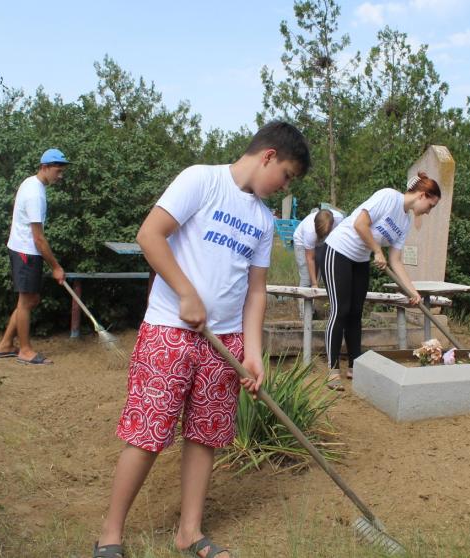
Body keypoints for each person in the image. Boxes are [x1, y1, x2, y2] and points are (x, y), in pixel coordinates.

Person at [93, 122, 310, 558]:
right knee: (147, 433)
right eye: (286, 175)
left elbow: (255, 291)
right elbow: (149, 235)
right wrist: (187, 292)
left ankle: (189, 532)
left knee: (205, 435)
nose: (284, 185)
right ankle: (110, 534)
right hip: (169, 331)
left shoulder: (263, 221)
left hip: (224, 343)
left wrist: (252, 353)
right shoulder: (201, 180)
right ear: (268, 155)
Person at [321, 171, 442, 390]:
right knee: (341, 309)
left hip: (359, 259)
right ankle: (332, 369)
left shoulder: (405, 222)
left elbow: (395, 261)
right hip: (338, 251)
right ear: (423, 195)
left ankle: (354, 367)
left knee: (356, 313)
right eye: (431, 206)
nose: (429, 211)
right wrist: (377, 250)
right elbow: (360, 224)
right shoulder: (389, 197)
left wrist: (411, 291)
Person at [0, 148, 69, 365]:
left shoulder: (30, 183)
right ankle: (25, 351)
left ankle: (6, 344)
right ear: (44, 167)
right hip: (26, 251)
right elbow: (39, 239)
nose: (60, 175)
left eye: (62, 171)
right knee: (26, 302)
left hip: (21, 248)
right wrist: (56, 267)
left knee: (31, 299)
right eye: (58, 170)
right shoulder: (36, 194)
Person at [291, 207, 342, 317]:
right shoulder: (309, 231)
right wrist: (314, 283)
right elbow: (310, 258)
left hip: (323, 244)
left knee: (318, 274)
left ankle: (311, 310)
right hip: (302, 243)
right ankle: (304, 315)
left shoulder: (339, 219)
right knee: (307, 278)